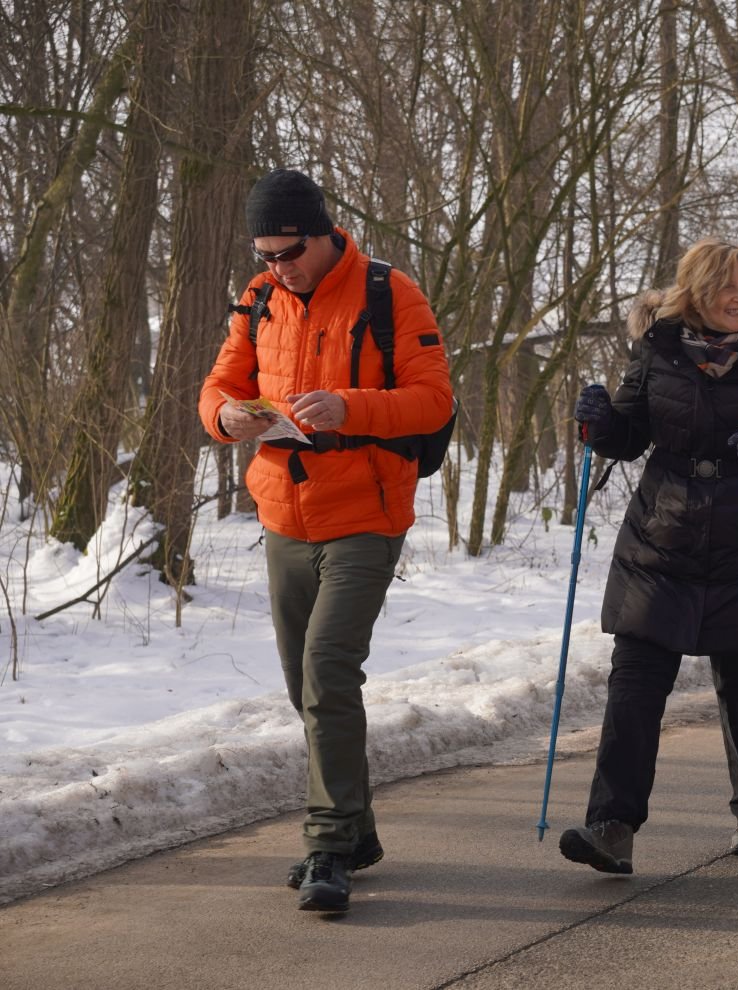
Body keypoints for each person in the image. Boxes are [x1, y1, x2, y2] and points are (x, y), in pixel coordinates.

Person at [199, 169, 454, 912]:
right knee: (301, 687)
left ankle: (329, 846)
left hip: (367, 514)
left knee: (327, 668)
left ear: (322, 231)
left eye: (289, 252)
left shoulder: (387, 293)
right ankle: (357, 828)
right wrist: (229, 420)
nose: (279, 266)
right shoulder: (258, 299)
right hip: (283, 514)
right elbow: (216, 388)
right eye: (267, 253)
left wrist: (349, 406)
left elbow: (433, 398)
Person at [560, 238, 738, 874]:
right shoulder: (658, 348)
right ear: (696, 292)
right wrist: (597, 424)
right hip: (663, 535)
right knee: (635, 679)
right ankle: (612, 825)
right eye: (726, 286)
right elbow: (626, 435)